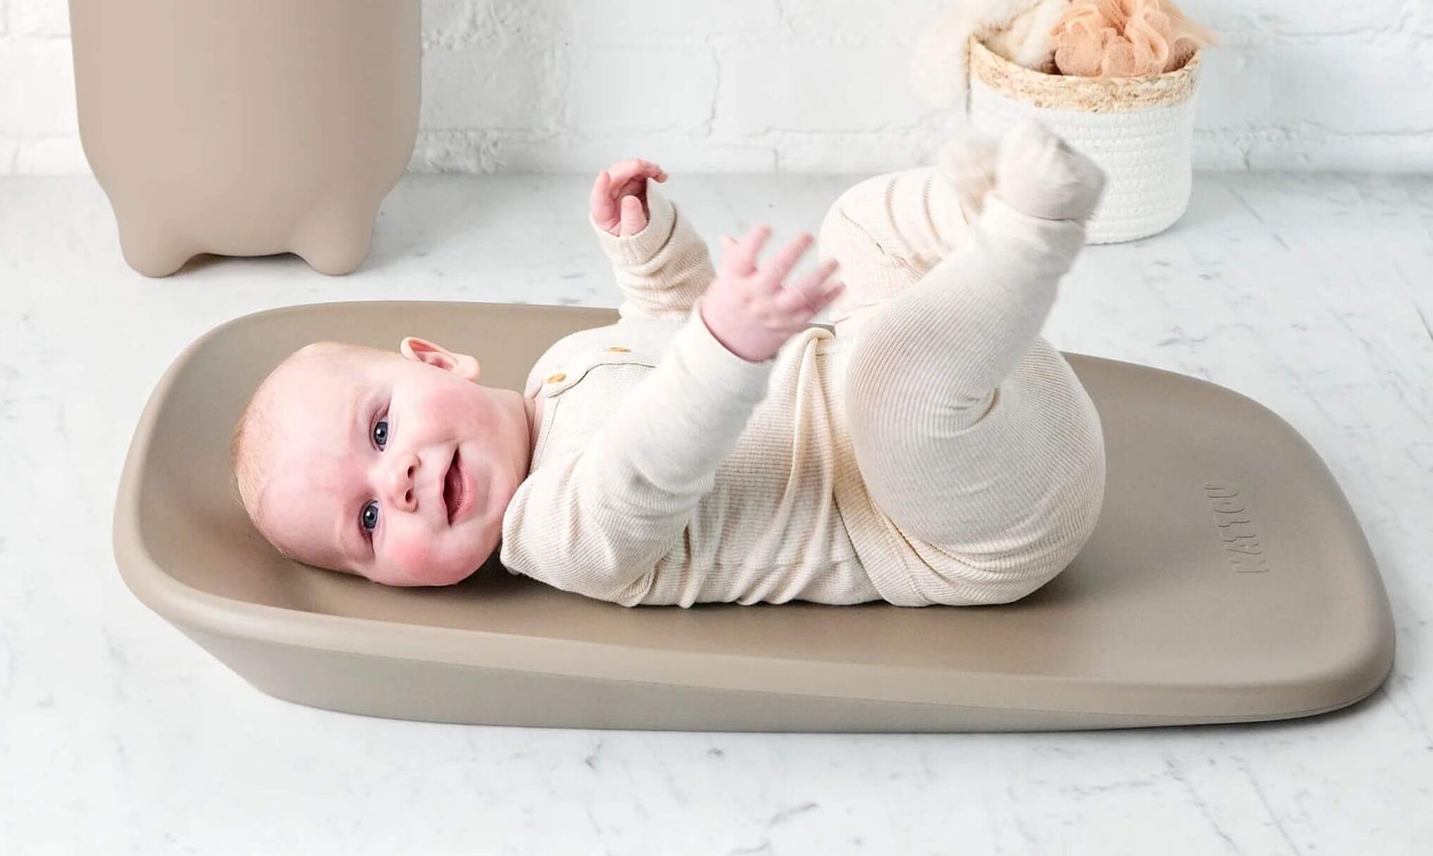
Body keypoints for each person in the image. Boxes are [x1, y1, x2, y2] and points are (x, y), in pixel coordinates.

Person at [230, 120, 1107, 607]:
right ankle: (1031, 229)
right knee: (889, 384)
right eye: (371, 523)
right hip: (957, 520)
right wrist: (727, 345)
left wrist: (646, 248)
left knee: (854, 228)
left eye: (381, 429)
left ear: (439, 360)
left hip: (972, 383)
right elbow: (649, 465)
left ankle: (973, 218)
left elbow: (668, 323)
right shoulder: (554, 536)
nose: (403, 482)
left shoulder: (556, 373)